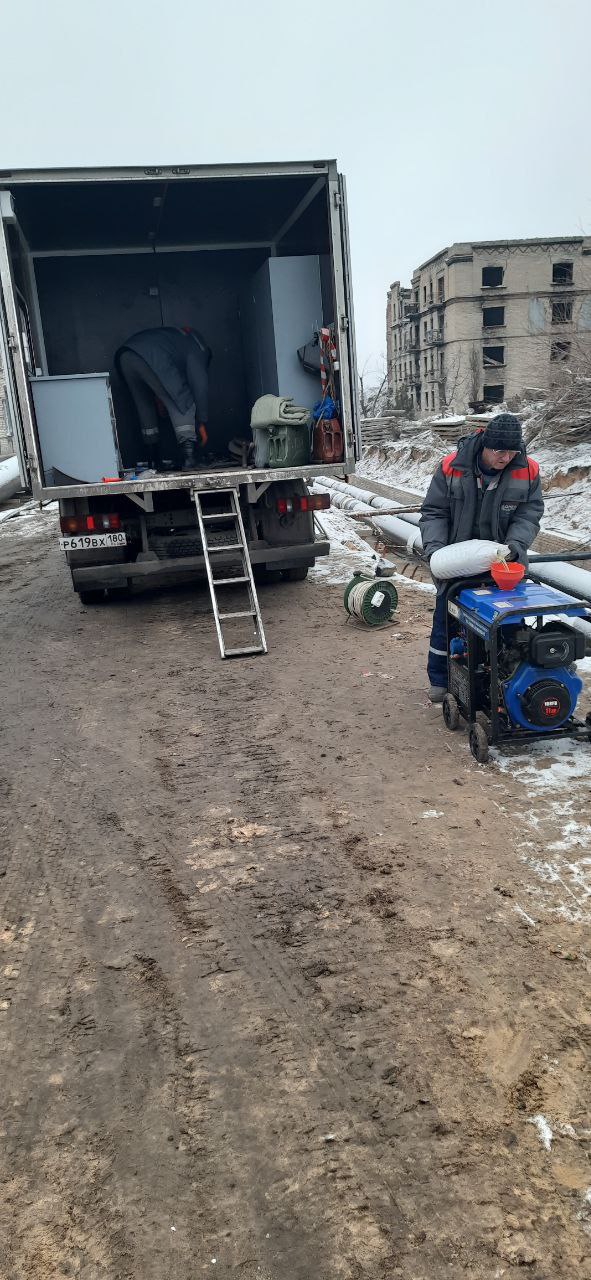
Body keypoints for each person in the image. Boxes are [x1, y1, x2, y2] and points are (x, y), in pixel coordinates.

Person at [419, 412, 544, 702]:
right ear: (485, 445)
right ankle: (441, 679)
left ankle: (504, 684)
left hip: (503, 566)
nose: (506, 458)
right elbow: (434, 512)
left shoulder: (527, 470)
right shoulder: (452, 466)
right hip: (458, 564)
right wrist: (436, 551)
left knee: (506, 625)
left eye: (512, 452)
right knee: (447, 621)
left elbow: (529, 514)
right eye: (500, 451)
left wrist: (515, 546)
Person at [115, 327, 212, 470]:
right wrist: (201, 421)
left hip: (126, 356)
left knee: (145, 406)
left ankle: (153, 461)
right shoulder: (199, 347)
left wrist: (160, 398)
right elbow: (199, 383)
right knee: (182, 401)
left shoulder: (176, 338)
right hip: (151, 355)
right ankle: (189, 458)